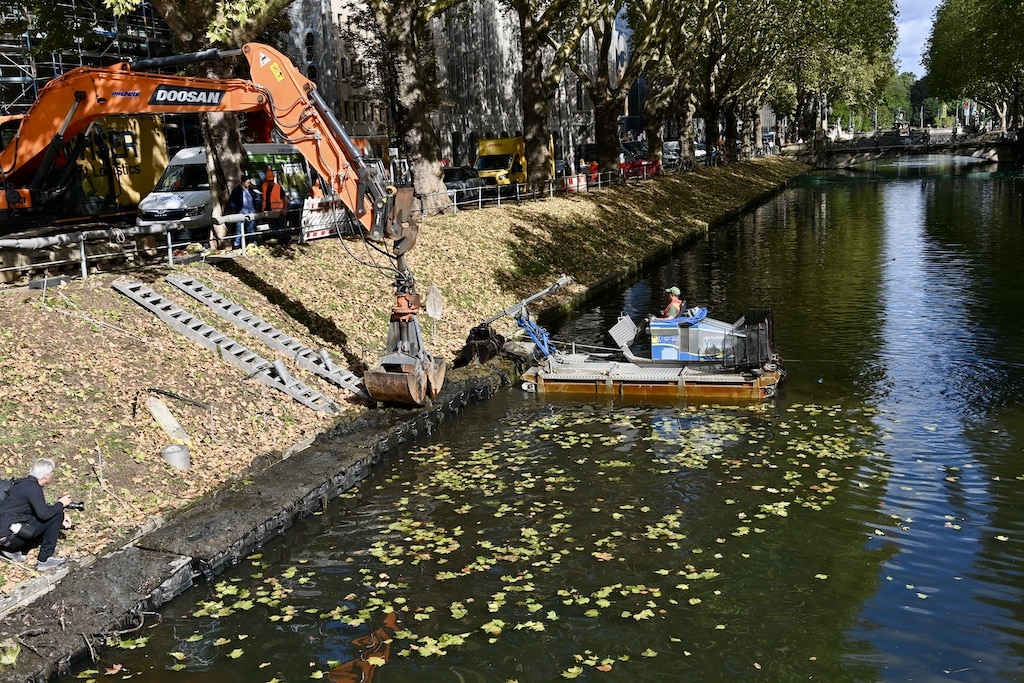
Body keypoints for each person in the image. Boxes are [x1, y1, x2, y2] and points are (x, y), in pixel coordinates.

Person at [0, 458, 73, 570]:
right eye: (51, 473)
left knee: (54, 513)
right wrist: (60, 505)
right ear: (46, 476)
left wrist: (58, 511)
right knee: (57, 514)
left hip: (4, 535)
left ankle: (12, 551)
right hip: (10, 538)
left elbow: (38, 508)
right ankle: (44, 559)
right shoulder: (34, 488)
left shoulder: (21, 483)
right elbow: (44, 515)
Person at [260, 168, 290, 246]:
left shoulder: (278, 187)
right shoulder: (264, 186)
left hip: (279, 211)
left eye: (271, 180)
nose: (270, 182)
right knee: (273, 227)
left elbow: (285, 198)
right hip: (269, 212)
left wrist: (285, 208)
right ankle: (283, 240)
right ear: (266, 180)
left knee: (281, 227)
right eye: (269, 180)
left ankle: (284, 240)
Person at [228, 174, 259, 249]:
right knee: (239, 231)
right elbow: (231, 201)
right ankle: (237, 246)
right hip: (241, 213)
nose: (249, 184)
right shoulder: (236, 191)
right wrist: (236, 209)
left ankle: (253, 245)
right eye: (248, 182)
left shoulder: (250, 190)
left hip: (251, 213)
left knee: (251, 230)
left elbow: (255, 199)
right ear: (243, 182)